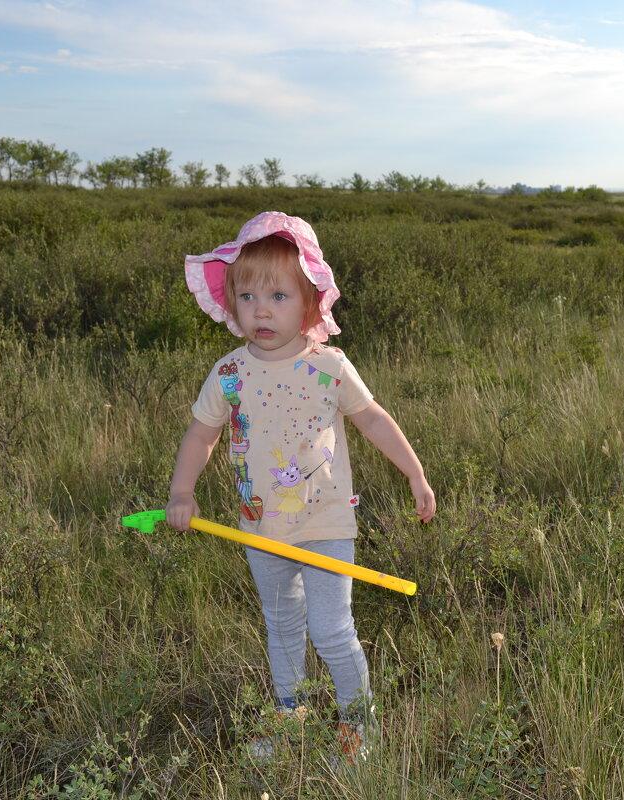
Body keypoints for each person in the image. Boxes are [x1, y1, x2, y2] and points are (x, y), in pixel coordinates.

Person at [166, 211, 435, 763]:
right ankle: (290, 717)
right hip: (260, 525)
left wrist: (415, 473)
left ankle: (358, 726)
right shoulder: (229, 373)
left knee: (333, 628)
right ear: (232, 304)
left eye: (279, 296)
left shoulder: (329, 366)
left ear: (311, 302)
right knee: (283, 625)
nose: (261, 310)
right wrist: (182, 492)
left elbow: (374, 419)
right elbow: (201, 436)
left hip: (325, 523)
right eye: (247, 297)